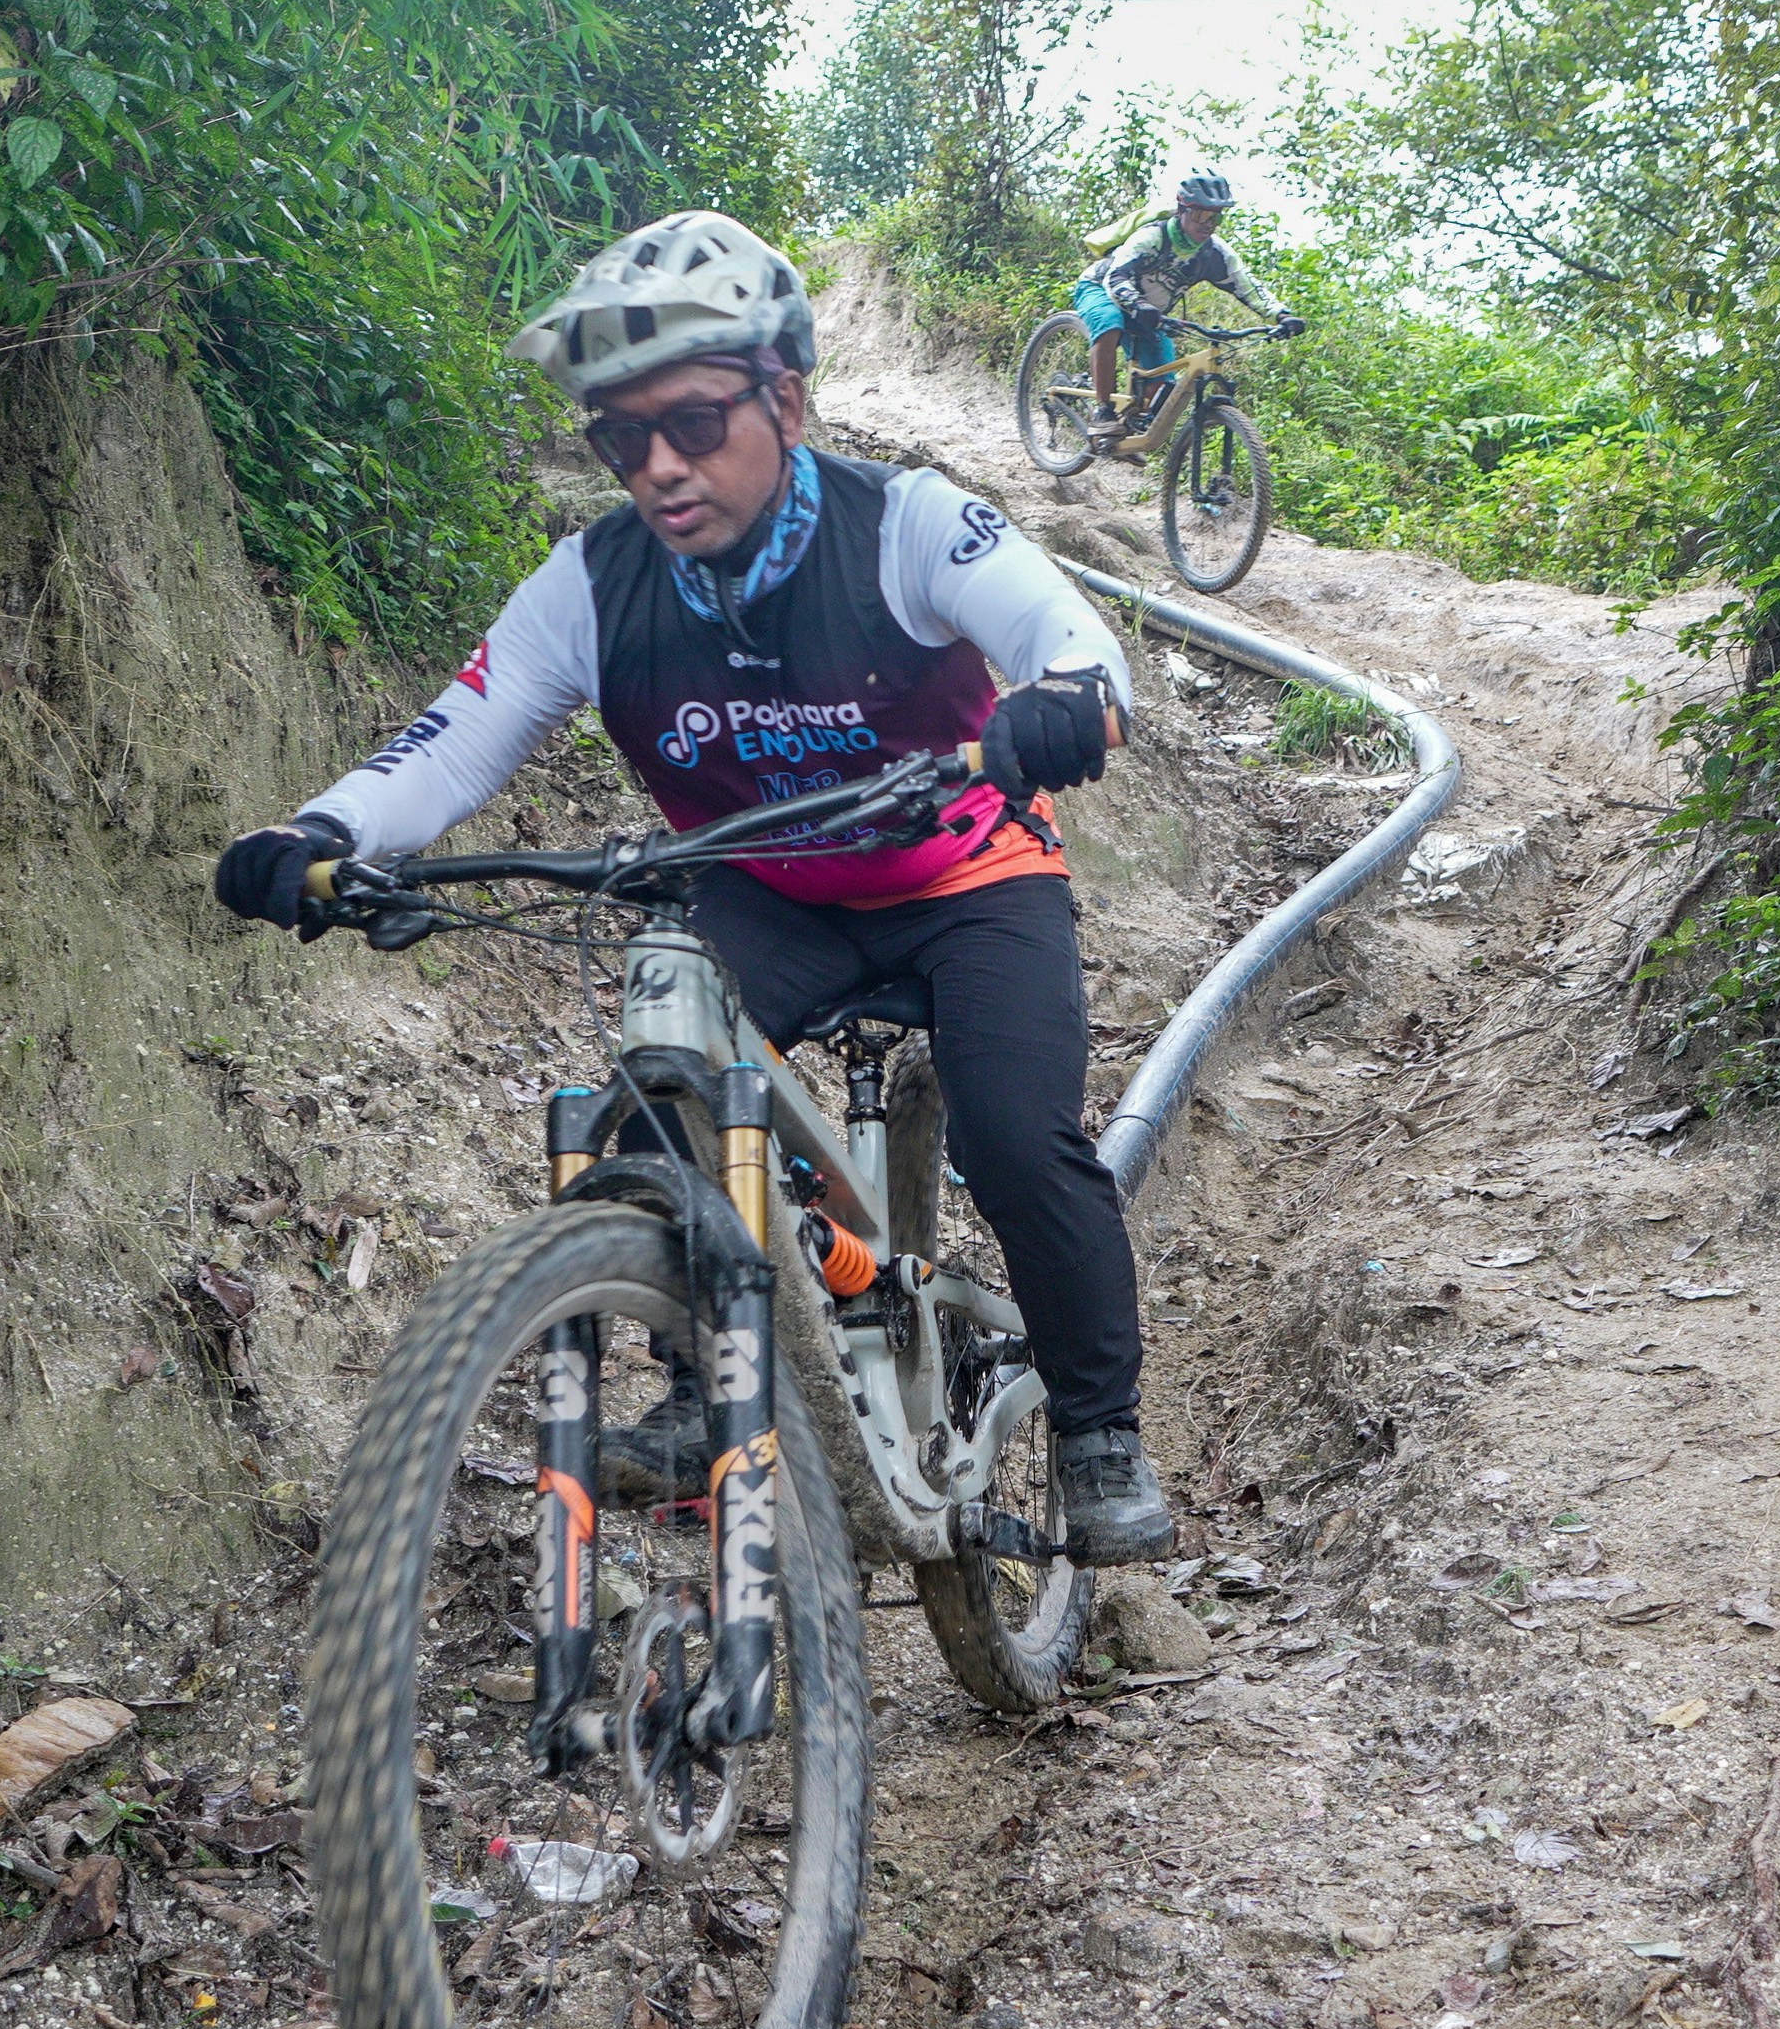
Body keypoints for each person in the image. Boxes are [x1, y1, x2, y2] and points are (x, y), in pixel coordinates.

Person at [210, 213, 1176, 1563]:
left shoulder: (900, 526)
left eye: (696, 421)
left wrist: (1071, 699)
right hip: (767, 894)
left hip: (966, 877)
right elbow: (450, 742)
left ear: (784, 396)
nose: (658, 466)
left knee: (1016, 1140)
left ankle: (1097, 1427)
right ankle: (700, 1391)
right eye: (621, 438)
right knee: (654, 1107)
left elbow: (1058, 628)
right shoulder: (593, 590)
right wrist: (322, 832)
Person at [1076, 171, 1300, 451]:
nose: (1207, 225)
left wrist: (1281, 315)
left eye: (1215, 218)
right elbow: (1116, 278)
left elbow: (1248, 287)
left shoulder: (1214, 253)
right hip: (1101, 288)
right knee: (1109, 324)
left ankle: (1124, 433)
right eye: (1199, 216)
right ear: (1182, 211)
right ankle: (1103, 411)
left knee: (1161, 387)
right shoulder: (1151, 237)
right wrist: (1138, 305)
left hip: (1151, 314)